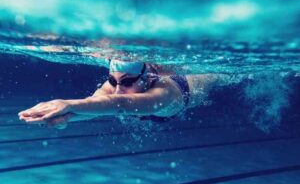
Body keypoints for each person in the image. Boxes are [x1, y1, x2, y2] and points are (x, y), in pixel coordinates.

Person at [18, 59, 219, 129]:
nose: (116, 89)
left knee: (216, 74)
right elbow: (94, 106)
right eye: (113, 81)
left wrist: (67, 104)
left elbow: (121, 104)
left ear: (146, 79)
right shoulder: (114, 87)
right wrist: (63, 118)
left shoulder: (164, 91)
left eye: (127, 82)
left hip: (195, 82)